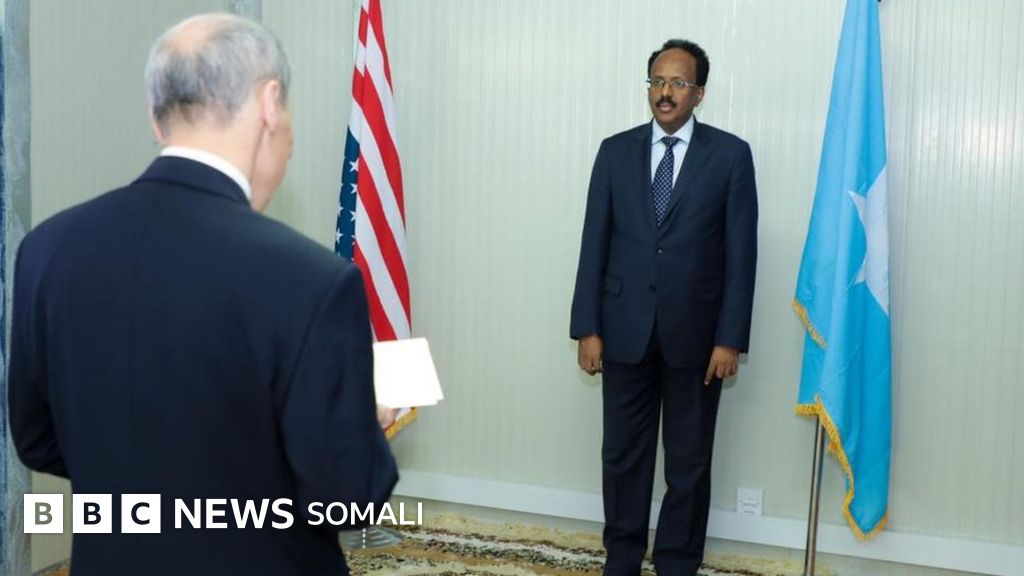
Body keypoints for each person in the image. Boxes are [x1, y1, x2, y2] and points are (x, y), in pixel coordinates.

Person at [8, 13, 397, 575]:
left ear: (156, 117)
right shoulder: (312, 279)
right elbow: (349, 495)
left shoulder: (47, 248)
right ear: (269, 104)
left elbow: (37, 439)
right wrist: (356, 416)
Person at [570, 39, 758, 576]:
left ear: (699, 93)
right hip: (622, 331)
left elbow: (741, 256)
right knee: (622, 457)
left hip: (697, 340)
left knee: (688, 463)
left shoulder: (730, 156)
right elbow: (594, 244)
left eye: (678, 83)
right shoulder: (615, 151)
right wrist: (587, 328)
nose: (665, 92)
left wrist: (729, 338)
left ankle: (677, 562)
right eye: (657, 81)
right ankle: (622, 558)